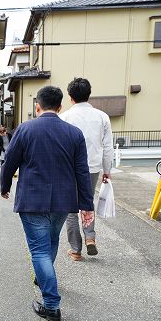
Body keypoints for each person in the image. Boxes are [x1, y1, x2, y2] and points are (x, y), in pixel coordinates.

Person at [0, 85, 94, 321]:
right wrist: (86, 204)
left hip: (32, 200)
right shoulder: (74, 134)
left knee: (39, 250)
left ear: (37, 106)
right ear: (60, 107)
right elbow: (82, 172)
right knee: (51, 241)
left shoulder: (25, 129)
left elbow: (9, 161)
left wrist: (5, 186)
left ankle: (51, 305)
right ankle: (44, 276)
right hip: (63, 201)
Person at [60, 78, 114, 260]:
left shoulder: (65, 117)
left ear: (70, 97)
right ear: (89, 94)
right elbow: (108, 147)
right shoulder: (102, 117)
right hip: (92, 168)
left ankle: (76, 249)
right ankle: (90, 237)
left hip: (69, 168)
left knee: (71, 208)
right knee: (87, 201)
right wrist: (107, 171)